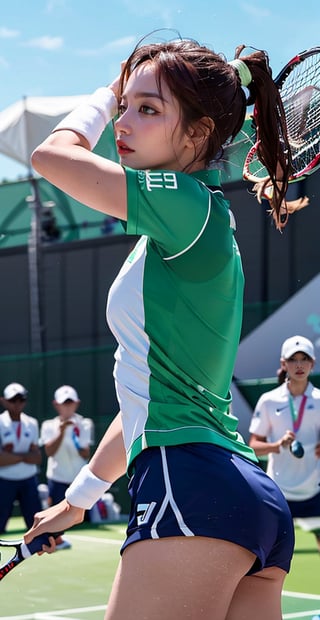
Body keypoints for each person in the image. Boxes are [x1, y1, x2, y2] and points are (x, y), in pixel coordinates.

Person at [25, 36, 296, 620]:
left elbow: (51, 156)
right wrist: (78, 501)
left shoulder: (183, 203)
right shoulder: (184, 230)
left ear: (198, 135)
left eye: (147, 108)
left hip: (189, 484)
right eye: (125, 106)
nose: (124, 121)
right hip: (243, 495)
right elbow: (145, 402)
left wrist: (104, 92)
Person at [249, 335, 320, 552]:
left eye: (304, 359)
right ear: (283, 364)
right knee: (269, 554)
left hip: (314, 490)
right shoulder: (268, 400)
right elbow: (253, 445)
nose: (299, 365)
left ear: (312, 363)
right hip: (278, 491)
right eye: (293, 359)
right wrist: (278, 444)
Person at [40, 385, 94, 549]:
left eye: (70, 403)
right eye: (64, 403)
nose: (68, 406)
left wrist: (75, 436)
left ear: (77, 403)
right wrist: (62, 431)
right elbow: (49, 451)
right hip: (57, 480)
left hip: (80, 482)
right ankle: (57, 541)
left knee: (85, 522)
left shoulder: (85, 423)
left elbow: (85, 454)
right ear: (56, 405)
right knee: (56, 521)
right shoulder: (48, 425)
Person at [0, 382, 42, 533]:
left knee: (35, 526)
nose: (17, 404)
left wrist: (10, 455)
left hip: (28, 479)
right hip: (4, 480)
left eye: (21, 399)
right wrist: (26, 456)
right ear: (3, 401)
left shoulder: (32, 423)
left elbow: (37, 458)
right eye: (12, 400)